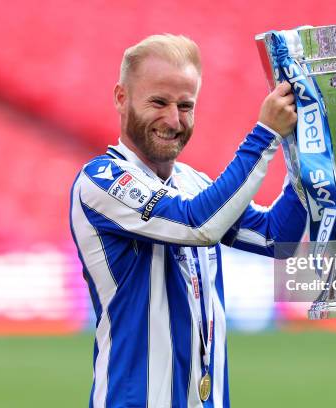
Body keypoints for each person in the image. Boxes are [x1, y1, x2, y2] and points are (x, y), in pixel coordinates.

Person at [70, 34, 307, 408]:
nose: (173, 119)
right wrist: (266, 135)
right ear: (121, 97)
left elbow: (277, 239)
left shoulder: (193, 183)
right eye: (158, 102)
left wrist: (310, 160)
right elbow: (199, 224)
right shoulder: (102, 181)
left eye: (185, 105)